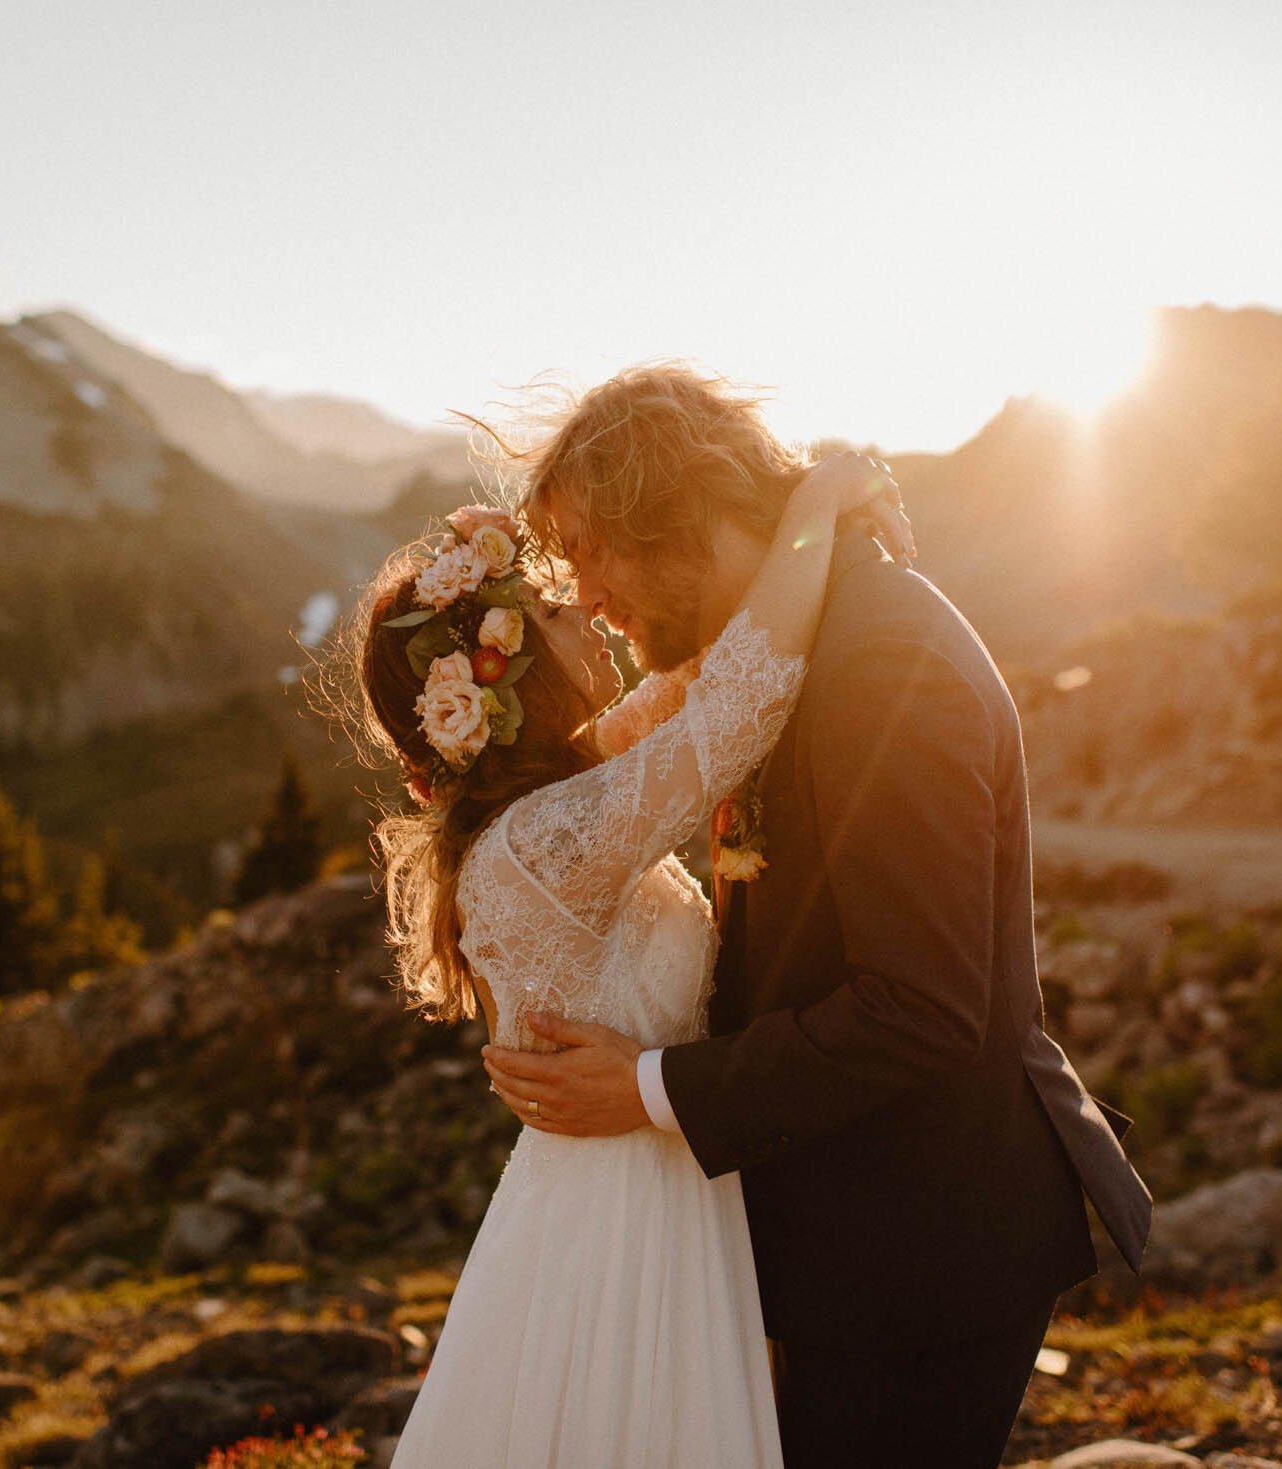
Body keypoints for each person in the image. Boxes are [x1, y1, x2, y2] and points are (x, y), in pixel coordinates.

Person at [480, 364, 1153, 1468]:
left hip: (918, 1252)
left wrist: (646, 1087)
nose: (588, 601)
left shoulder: (882, 663)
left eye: (595, 555)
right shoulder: (796, 639)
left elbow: (919, 1004)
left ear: (685, 512)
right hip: (841, 1229)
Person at [337, 444, 907, 1467]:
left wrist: (774, 542)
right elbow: (735, 704)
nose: (588, 615)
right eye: (556, 616)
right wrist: (817, 503)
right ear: (500, 677)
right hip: (622, 1234)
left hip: (637, 1192)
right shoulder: (542, 841)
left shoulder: (541, 808)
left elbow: (684, 686)